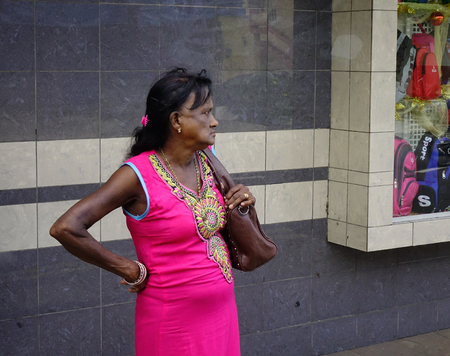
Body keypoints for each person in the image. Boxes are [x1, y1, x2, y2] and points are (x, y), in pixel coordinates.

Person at [50, 68, 256, 356]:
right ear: (176, 121)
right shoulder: (137, 175)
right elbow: (66, 227)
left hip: (221, 316)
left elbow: (213, 227)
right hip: (173, 324)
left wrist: (242, 202)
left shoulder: (208, 162)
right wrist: (129, 269)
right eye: (205, 113)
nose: (215, 121)